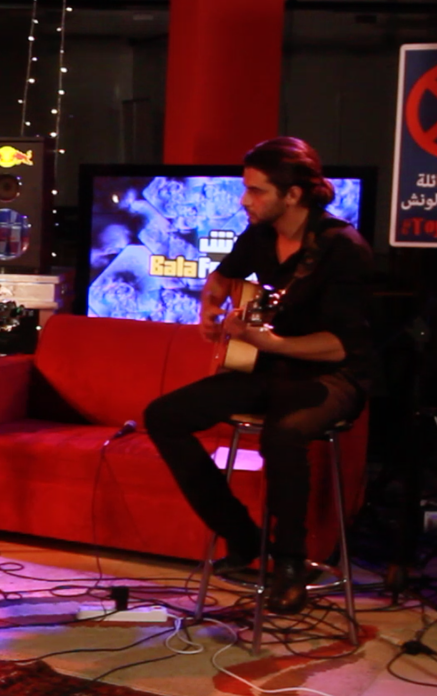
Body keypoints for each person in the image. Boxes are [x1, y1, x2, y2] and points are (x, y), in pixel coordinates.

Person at [144, 137, 373, 614]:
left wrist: (274, 344)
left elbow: (343, 345)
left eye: (256, 191)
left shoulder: (342, 248)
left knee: (283, 434)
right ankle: (243, 536)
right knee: (164, 415)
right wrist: (209, 309)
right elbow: (222, 278)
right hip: (268, 368)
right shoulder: (259, 235)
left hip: (333, 376)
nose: (244, 200)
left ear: (293, 195)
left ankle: (290, 563)